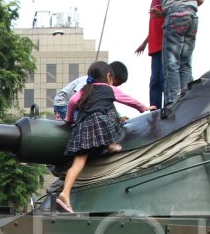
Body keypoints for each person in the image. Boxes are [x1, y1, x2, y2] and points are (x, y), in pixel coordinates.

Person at [56, 61, 152, 213]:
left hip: (82, 128)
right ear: (109, 76)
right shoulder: (109, 89)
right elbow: (129, 100)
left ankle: (65, 193)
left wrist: (68, 120)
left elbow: (72, 102)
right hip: (100, 124)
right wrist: (143, 108)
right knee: (115, 115)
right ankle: (110, 144)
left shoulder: (84, 90)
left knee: (78, 164)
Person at [145, 0, 204, 107]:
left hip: (176, 16)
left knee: (170, 61)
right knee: (185, 61)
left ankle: (172, 101)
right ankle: (186, 99)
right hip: (192, 17)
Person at [134, 0, 165, 109]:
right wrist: (145, 42)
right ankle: (155, 108)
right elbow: (155, 24)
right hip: (155, 45)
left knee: (160, 80)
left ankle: (160, 108)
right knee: (155, 80)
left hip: (163, 44)